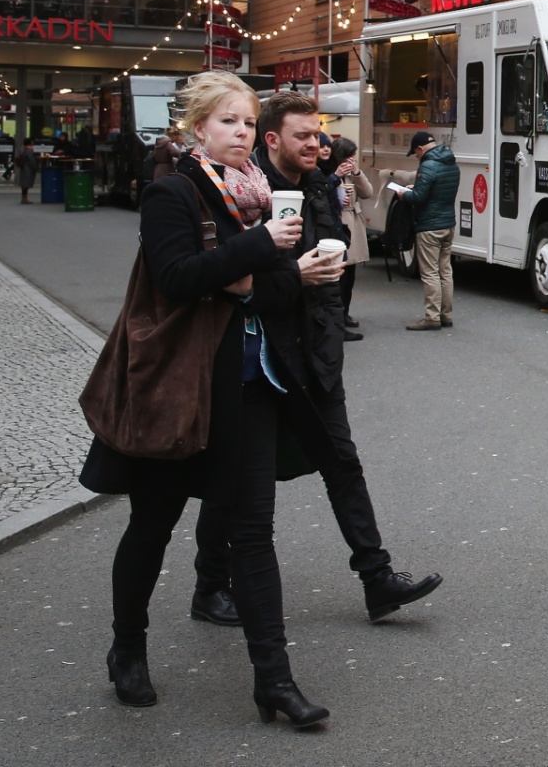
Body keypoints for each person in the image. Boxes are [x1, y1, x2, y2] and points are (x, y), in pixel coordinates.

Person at [78, 71, 334, 728]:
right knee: (152, 524)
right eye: (228, 122)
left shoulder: (262, 198)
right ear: (199, 129)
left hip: (248, 385)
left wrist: (297, 271)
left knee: (253, 535)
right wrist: (261, 251)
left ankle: (273, 681)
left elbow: (264, 293)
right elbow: (176, 277)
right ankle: (127, 647)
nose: (242, 133)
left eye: (248, 122)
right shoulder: (173, 192)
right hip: (181, 388)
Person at [190, 93, 442, 629]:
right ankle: (210, 584)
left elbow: (331, 271)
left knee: (342, 462)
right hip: (259, 356)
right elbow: (232, 288)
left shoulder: (321, 185)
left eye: (320, 133)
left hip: (314, 350)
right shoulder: (243, 189)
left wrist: (328, 333)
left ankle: (377, 578)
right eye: (305, 135)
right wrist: (292, 280)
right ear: (274, 139)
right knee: (235, 479)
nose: (317, 143)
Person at [396, 131, 458, 331]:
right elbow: (437, 189)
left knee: (430, 273)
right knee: (445, 271)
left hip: (430, 226)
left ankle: (432, 317)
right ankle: (446, 315)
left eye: (415, 153)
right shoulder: (451, 163)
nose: (416, 156)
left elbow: (420, 197)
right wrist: (417, 186)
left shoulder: (427, 165)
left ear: (420, 148)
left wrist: (404, 194)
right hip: (448, 223)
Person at [328, 137, 375, 337]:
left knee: (350, 277)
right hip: (339, 223)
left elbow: (368, 192)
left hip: (353, 223)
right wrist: (337, 177)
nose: (351, 161)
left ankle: (345, 313)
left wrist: (356, 173)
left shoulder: (352, 174)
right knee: (339, 277)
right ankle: (337, 318)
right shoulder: (329, 172)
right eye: (348, 157)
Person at [14, 139, 39, 204]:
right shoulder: (29, 151)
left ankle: (24, 198)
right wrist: (35, 167)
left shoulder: (22, 149)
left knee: (24, 184)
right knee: (26, 184)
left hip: (23, 168)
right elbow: (31, 160)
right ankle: (25, 199)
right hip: (28, 168)